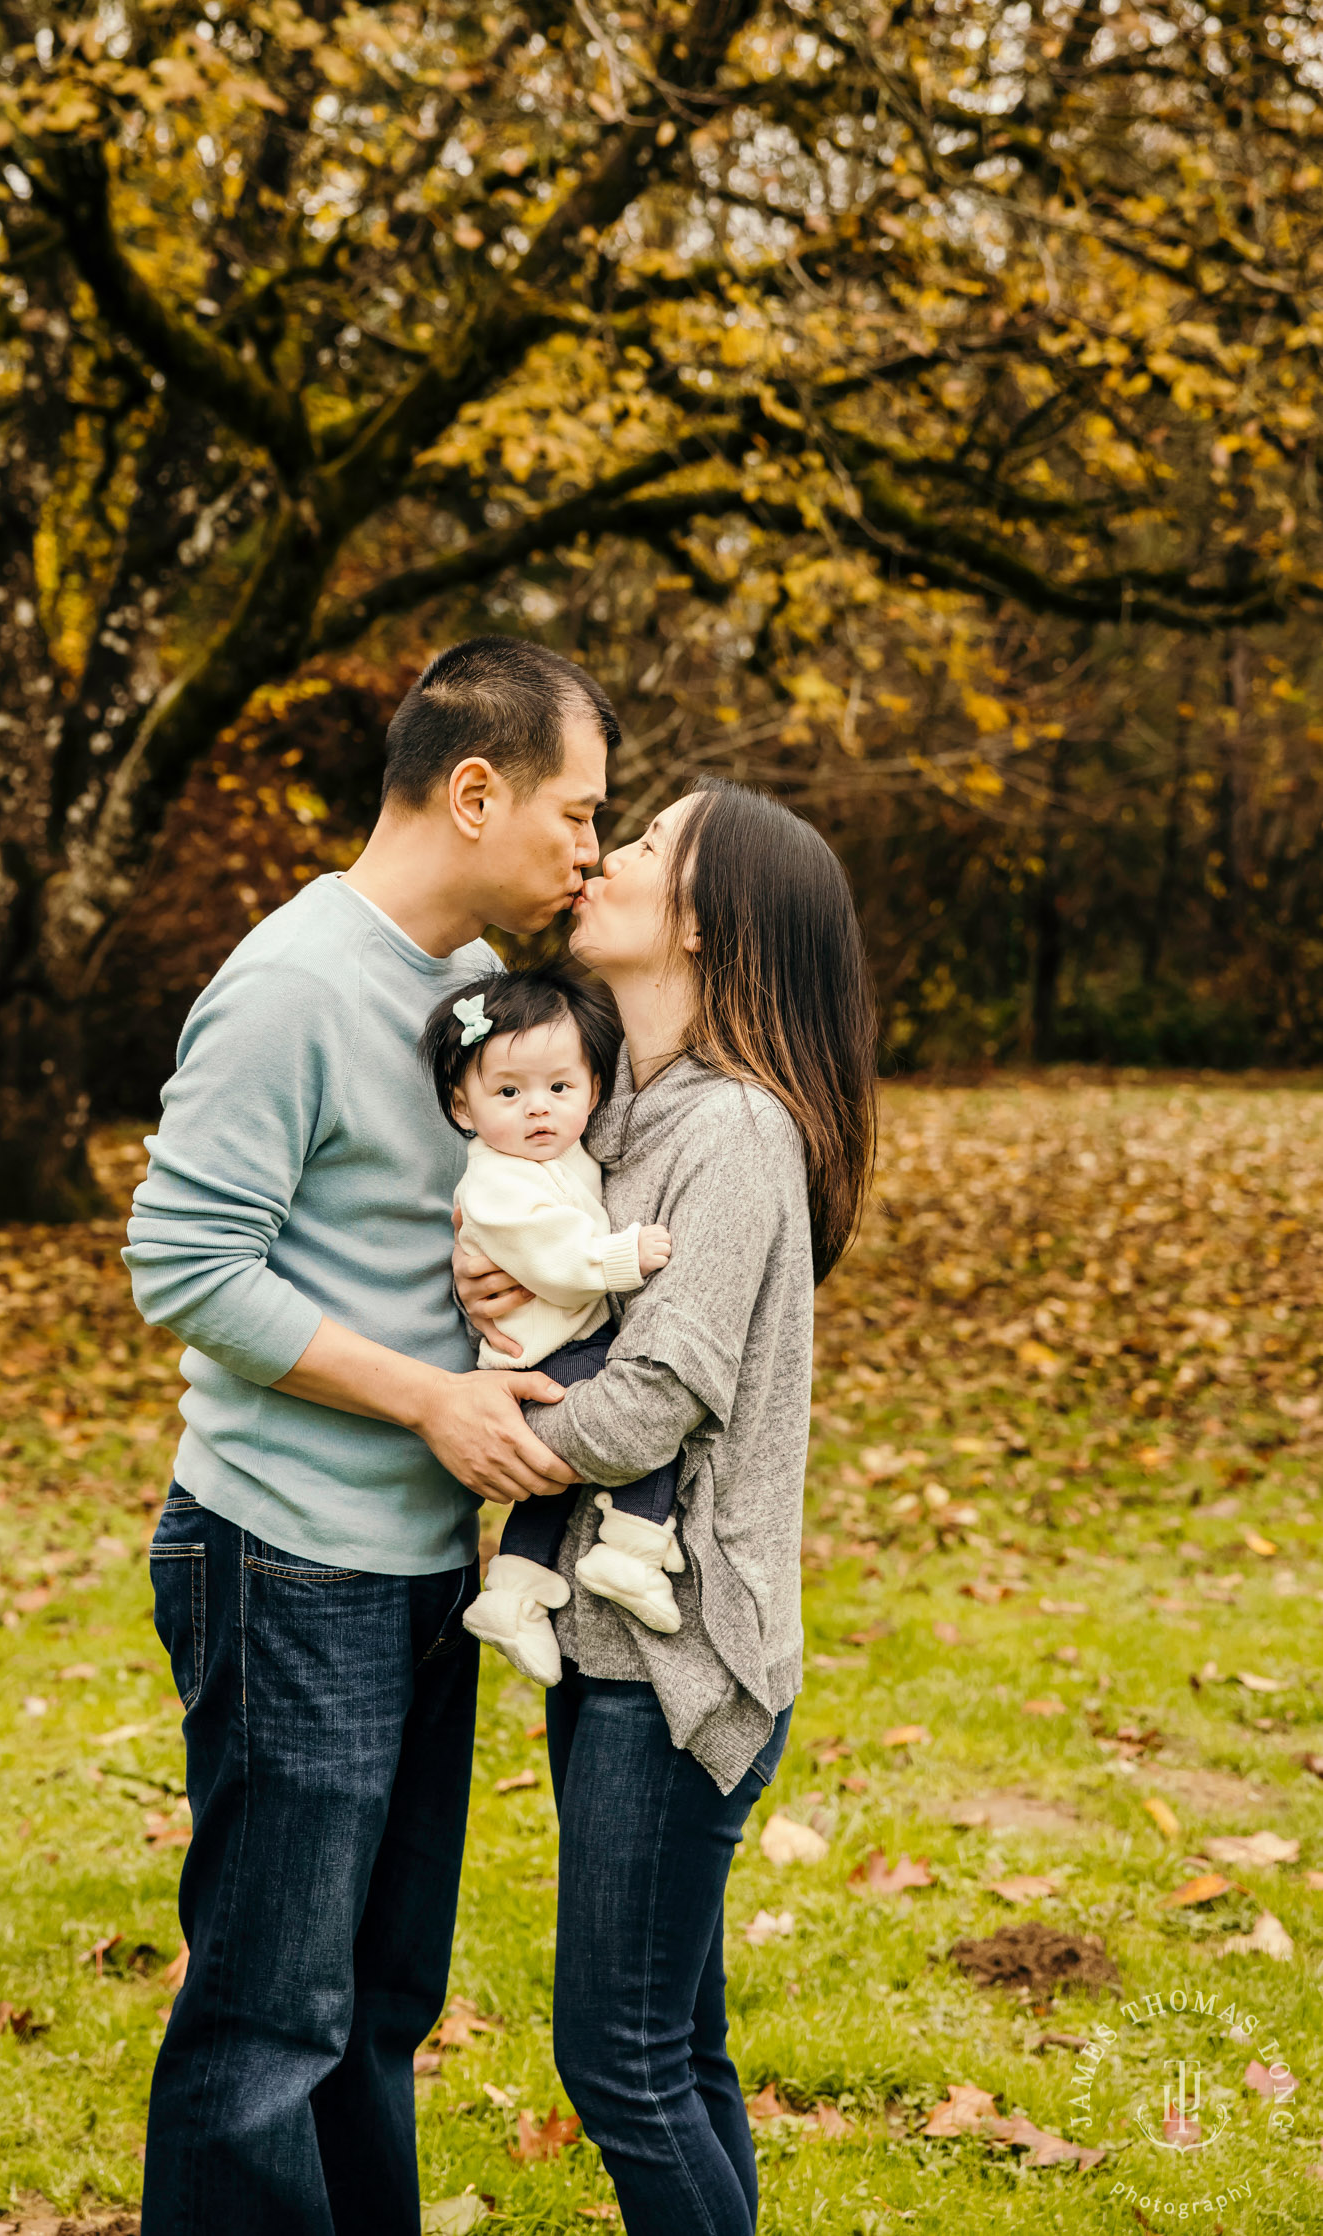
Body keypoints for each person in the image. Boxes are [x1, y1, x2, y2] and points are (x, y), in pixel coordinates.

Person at [123, 636, 618, 2236]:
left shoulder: (473, 998)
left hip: (415, 1565)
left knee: (380, 2005)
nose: (594, 853)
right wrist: (429, 1397)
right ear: (476, 791)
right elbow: (183, 1265)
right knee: (271, 2022)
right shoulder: (289, 984)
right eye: (580, 815)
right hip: (283, 1561)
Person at [457, 780, 877, 2236]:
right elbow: (569, 1297)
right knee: (676, 2051)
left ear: (701, 916)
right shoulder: (617, 1108)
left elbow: (649, 1403)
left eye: (640, 847)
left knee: (619, 2062)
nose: (604, 856)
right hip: (613, 1643)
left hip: (681, 1660)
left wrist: (475, 1427)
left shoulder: (736, 1131)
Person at [417, 963, 685, 1688]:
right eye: (509, 1092)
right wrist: (620, 1257)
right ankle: (629, 1550)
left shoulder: (561, 1154)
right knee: (642, 1424)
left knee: (553, 1490)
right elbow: (552, 1255)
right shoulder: (496, 1180)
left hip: (558, 1342)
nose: (537, 1109)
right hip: (541, 1353)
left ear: (592, 1090)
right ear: (463, 1107)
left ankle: (511, 1596)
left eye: (559, 1089)